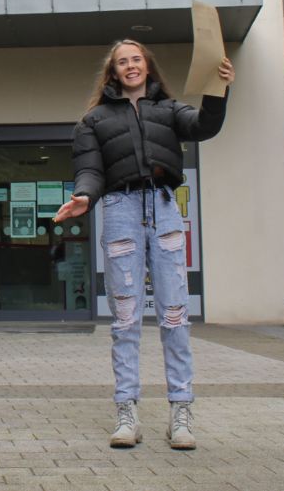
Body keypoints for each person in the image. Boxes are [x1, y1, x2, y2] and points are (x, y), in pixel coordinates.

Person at [55, 39, 234, 450]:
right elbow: (89, 170)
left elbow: (206, 126)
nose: (131, 66)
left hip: (165, 207)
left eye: (136, 59)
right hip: (118, 209)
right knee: (125, 317)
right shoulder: (93, 120)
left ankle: (181, 414)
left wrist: (218, 89)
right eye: (122, 62)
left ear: (148, 67)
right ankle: (127, 413)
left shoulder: (170, 110)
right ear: (113, 72)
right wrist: (85, 196)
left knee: (174, 313)